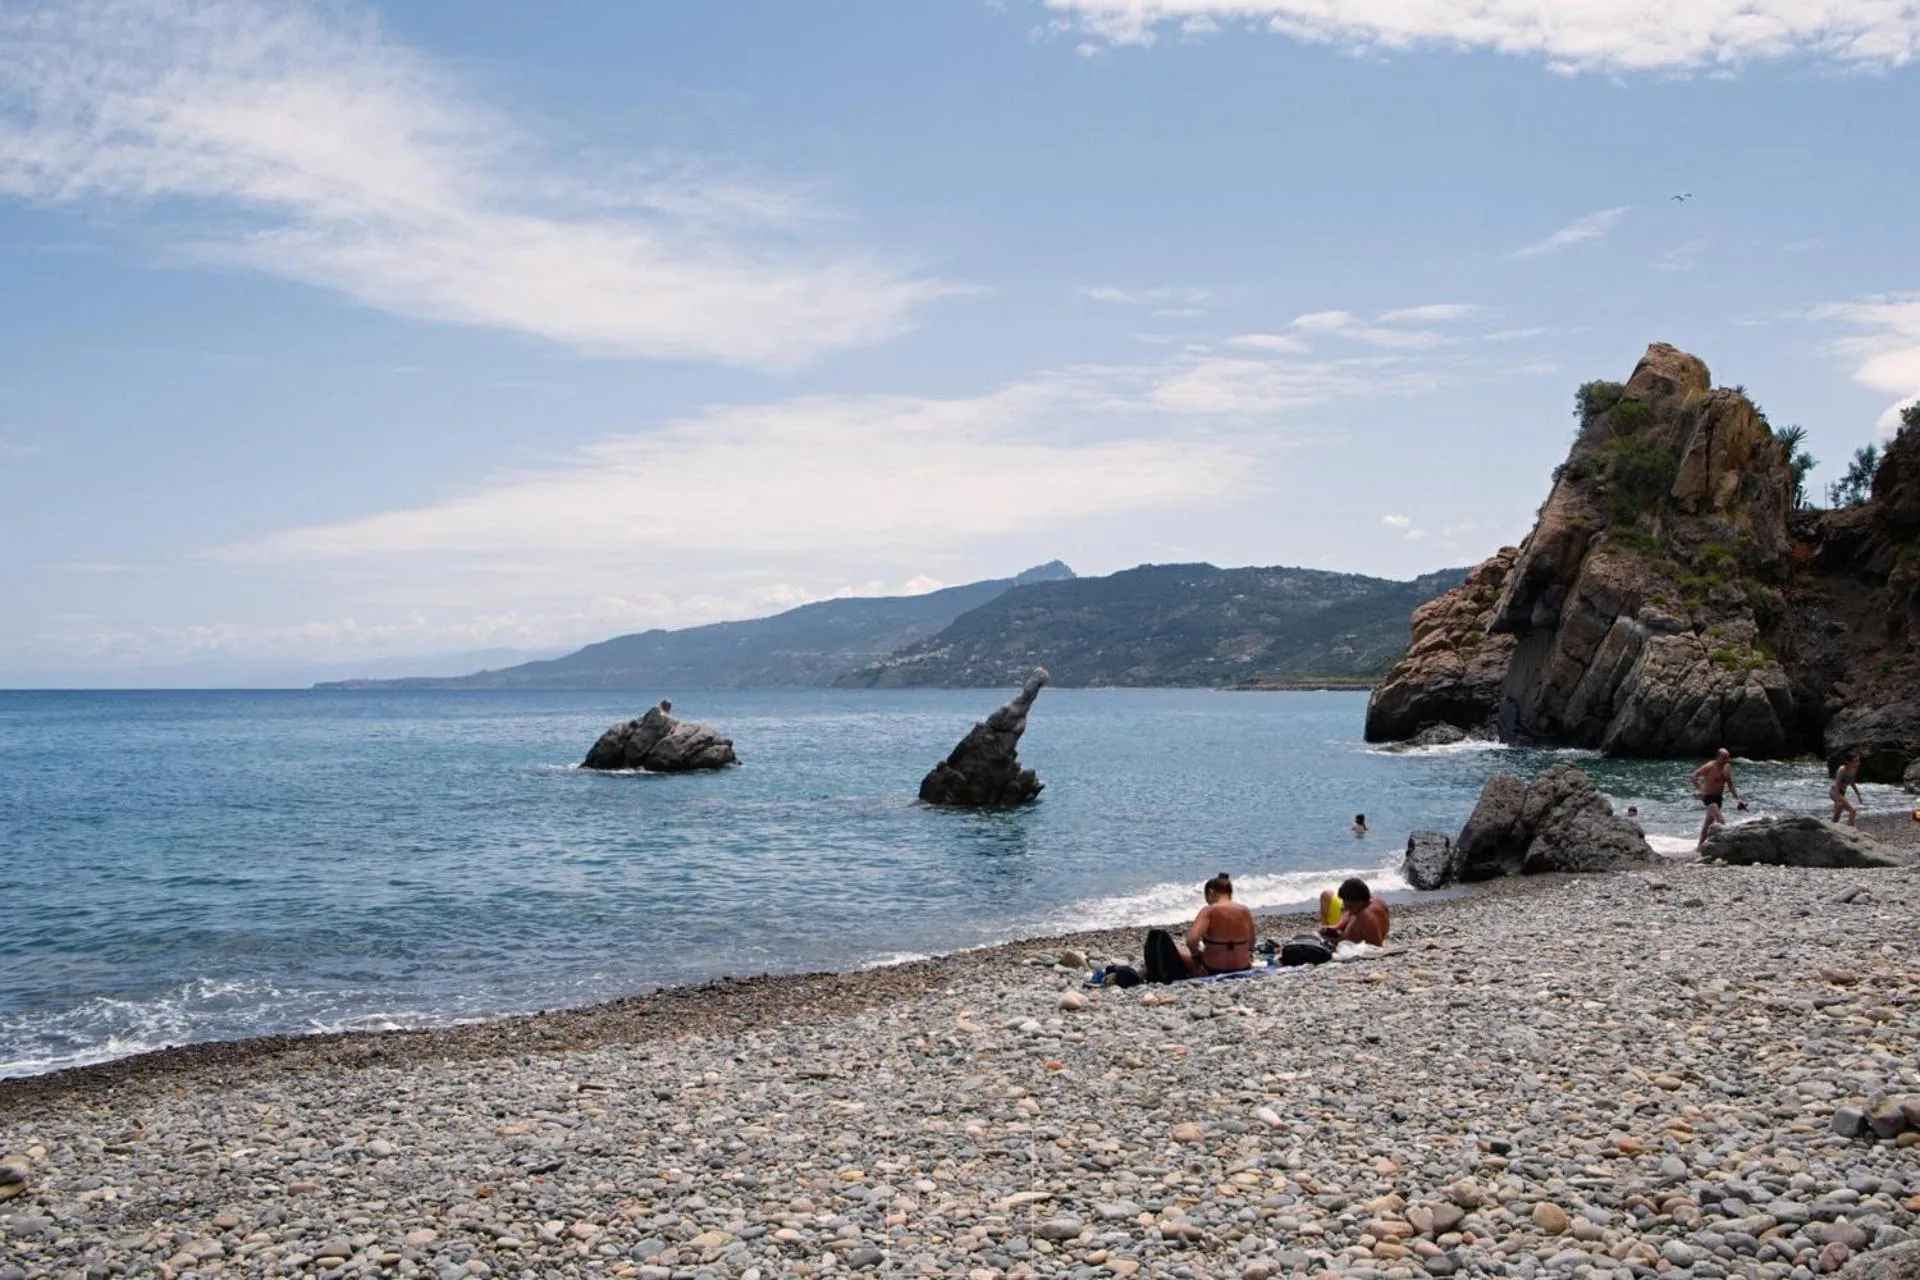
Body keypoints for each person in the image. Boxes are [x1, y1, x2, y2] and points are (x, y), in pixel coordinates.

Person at [1154, 872, 1255, 978]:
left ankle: (1196, 970)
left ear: (1211, 892)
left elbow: (1192, 941)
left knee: (1178, 948)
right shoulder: (1244, 910)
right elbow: (1251, 941)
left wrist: (1196, 957)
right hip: (1243, 966)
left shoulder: (1209, 910)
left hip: (1214, 968)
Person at [1691, 748, 1746, 849]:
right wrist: (1699, 790)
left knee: (1708, 823)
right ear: (1717, 757)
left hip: (1718, 798)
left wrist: (1738, 799)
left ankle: (1699, 846)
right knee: (1721, 821)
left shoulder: (1727, 767)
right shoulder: (1710, 766)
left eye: (1728, 757)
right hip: (1708, 797)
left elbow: (1730, 785)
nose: (1726, 760)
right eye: (1724, 758)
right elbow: (1694, 776)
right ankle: (1721, 846)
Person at [1318, 877, 1390, 947]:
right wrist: (1337, 926)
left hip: (1350, 946)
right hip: (1345, 939)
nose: (1346, 908)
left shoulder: (1366, 918)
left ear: (1359, 902)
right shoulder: (1373, 900)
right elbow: (1348, 912)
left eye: (1349, 906)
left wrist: (1336, 943)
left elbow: (1376, 948)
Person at [1831, 752, 1863, 827]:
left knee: (1836, 817)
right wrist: (1838, 797)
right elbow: (1837, 783)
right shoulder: (1842, 769)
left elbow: (1852, 782)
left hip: (1842, 792)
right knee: (1853, 811)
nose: (1857, 763)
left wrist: (1858, 794)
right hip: (1835, 791)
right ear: (1848, 762)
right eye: (1855, 761)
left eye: (1858, 761)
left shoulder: (1854, 769)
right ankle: (1851, 831)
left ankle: (1830, 829)